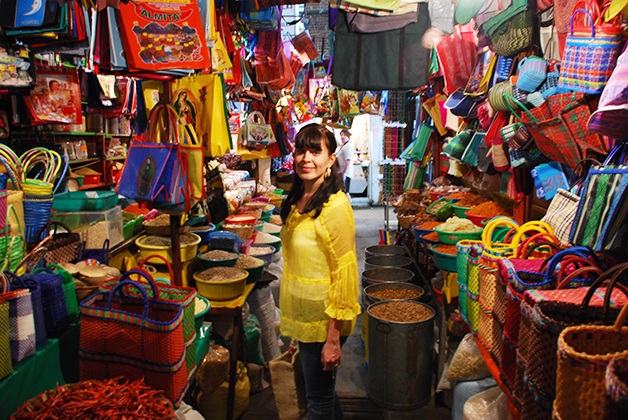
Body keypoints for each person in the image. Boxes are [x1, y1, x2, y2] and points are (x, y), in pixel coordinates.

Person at [279, 123, 361, 420]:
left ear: (330, 159)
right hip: (304, 316)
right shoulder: (297, 198)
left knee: (318, 400)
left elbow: (345, 272)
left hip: (325, 319)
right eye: (301, 151)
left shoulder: (336, 206)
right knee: (322, 394)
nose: (306, 158)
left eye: (316, 151)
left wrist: (333, 339)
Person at [336, 129, 353, 193]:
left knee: (345, 192)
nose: (342, 137)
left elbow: (348, 161)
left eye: (344, 135)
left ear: (348, 136)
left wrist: (343, 173)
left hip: (345, 174)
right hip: (341, 172)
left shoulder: (348, 146)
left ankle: (348, 203)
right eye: (341, 135)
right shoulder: (344, 145)